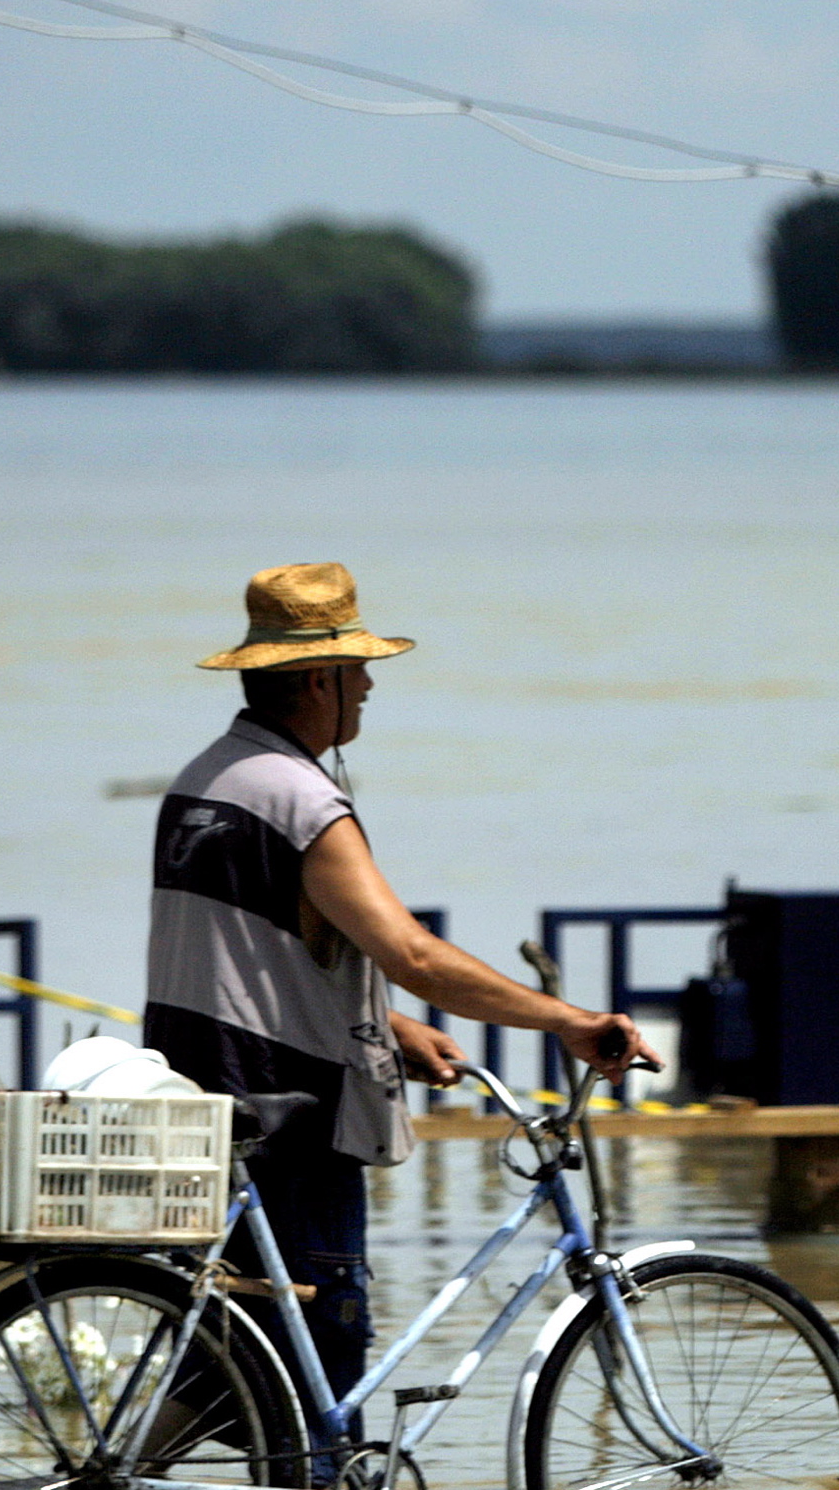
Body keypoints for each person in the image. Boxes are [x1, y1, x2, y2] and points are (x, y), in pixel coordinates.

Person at [146, 560, 649, 1393]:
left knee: (232, 1367)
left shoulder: (201, 782)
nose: (371, 685)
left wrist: (391, 1026)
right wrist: (564, 1019)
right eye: (357, 668)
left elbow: (255, 953)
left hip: (200, 1104)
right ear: (318, 680)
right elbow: (412, 955)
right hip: (290, 1119)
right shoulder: (305, 803)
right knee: (322, 1374)